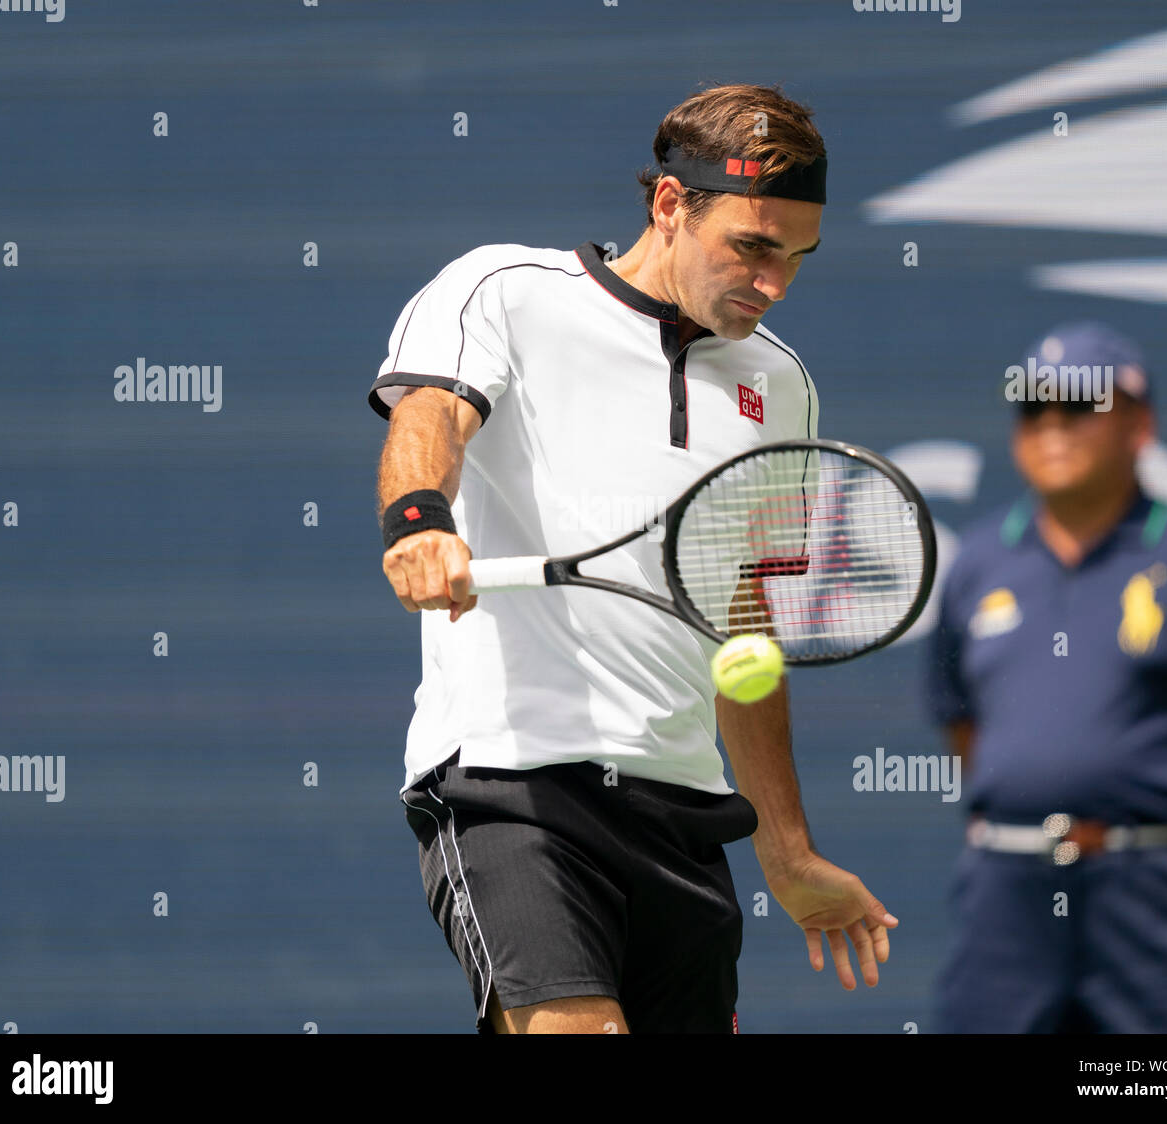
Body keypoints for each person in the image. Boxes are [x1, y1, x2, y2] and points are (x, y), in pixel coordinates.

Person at [368, 83, 899, 1034]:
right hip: (512, 783)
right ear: (668, 205)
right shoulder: (507, 291)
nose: (775, 282)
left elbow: (745, 628)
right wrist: (419, 519)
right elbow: (433, 410)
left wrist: (784, 848)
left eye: (797, 258)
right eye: (752, 247)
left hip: (683, 812)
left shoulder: (782, 387)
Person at [927, 321, 1167, 1032]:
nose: (1052, 425)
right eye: (1033, 407)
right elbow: (966, 729)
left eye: (1079, 405)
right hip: (1008, 903)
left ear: (1139, 424)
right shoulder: (978, 563)